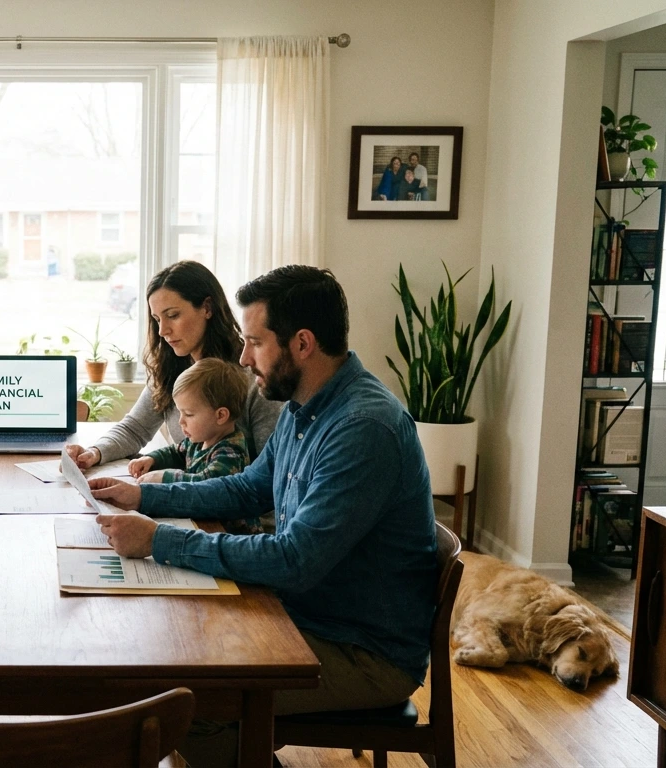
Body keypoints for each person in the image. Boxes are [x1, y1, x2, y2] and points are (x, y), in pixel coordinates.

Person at [88, 265, 438, 768]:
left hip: (361, 650)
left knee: (182, 703)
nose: (244, 356)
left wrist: (158, 541)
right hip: (307, 612)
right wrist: (144, 499)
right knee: (167, 642)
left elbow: (295, 560)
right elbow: (248, 488)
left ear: (302, 343)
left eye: (254, 342)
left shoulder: (362, 428)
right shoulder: (304, 405)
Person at [64, 260, 281, 473]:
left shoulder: (253, 376)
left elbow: (270, 471)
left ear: (207, 308)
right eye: (157, 319)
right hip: (187, 499)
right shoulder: (169, 369)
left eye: (173, 315)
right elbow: (135, 428)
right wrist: (94, 453)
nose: (162, 331)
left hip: (233, 504)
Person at [127, 357, 250, 484]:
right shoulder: (201, 438)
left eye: (189, 414)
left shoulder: (230, 453)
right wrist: (152, 459)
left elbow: (206, 484)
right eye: (180, 412)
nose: (181, 421)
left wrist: (166, 477)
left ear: (220, 415)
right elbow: (175, 452)